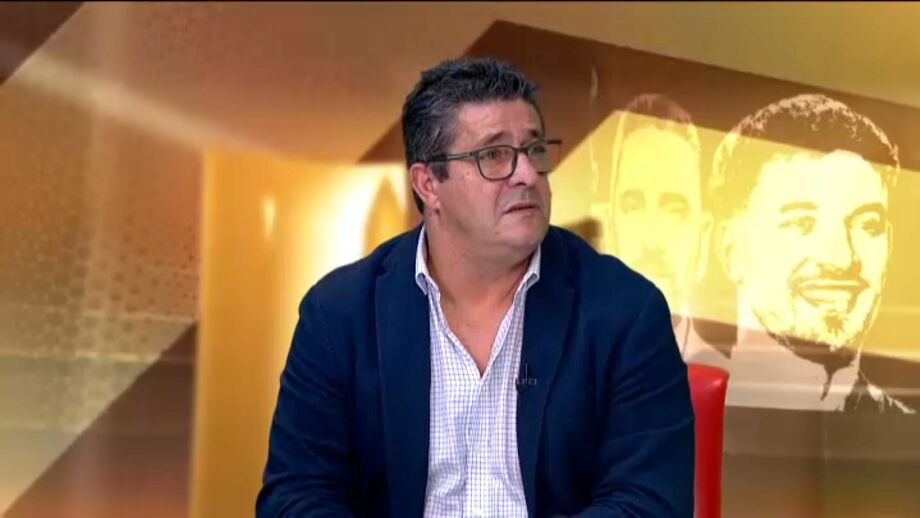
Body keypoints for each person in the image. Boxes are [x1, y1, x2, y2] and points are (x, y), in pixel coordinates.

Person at [256, 57, 694, 517]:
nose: (527, 174)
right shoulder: (339, 315)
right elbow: (295, 498)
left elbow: (649, 503)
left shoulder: (626, 313)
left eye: (534, 149)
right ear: (429, 184)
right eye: (494, 156)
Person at [709, 93, 912, 412]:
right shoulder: (672, 417)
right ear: (731, 248)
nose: (841, 259)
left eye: (867, 225)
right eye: (801, 223)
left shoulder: (902, 427)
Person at [597, 94, 720, 366]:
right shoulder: (568, 370)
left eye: (674, 211)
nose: (651, 238)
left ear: (703, 238)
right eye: (632, 207)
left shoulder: (720, 370)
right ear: (609, 231)